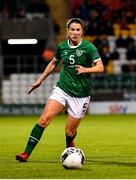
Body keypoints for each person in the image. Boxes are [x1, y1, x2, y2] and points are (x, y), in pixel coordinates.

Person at [16, 18, 104, 162]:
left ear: (82, 32)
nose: (75, 32)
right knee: (44, 120)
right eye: (72, 29)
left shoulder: (89, 48)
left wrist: (86, 69)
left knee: (70, 132)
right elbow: (53, 63)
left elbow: (100, 67)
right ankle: (26, 153)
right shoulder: (62, 46)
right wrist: (40, 81)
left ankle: (69, 145)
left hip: (81, 94)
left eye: (78, 30)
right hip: (62, 89)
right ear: (67, 31)